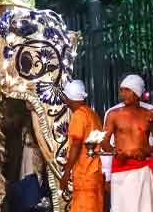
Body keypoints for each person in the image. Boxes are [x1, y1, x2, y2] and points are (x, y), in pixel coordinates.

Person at [100, 74, 153, 212]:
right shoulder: (113, 114)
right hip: (121, 169)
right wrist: (115, 151)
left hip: (143, 170)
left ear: (137, 93)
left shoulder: (149, 114)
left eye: (127, 90)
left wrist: (148, 145)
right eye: (121, 90)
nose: (122, 94)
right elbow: (104, 142)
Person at [60, 80, 104, 212]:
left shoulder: (78, 116)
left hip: (85, 174)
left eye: (65, 96)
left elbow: (76, 145)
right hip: (95, 173)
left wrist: (66, 172)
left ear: (69, 98)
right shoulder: (92, 114)